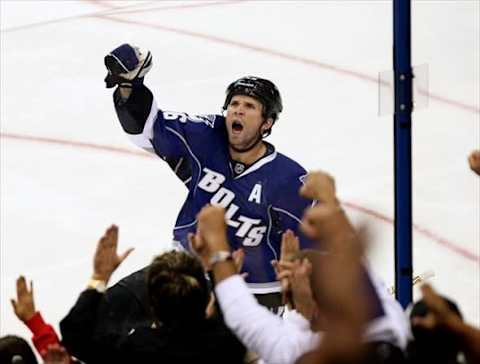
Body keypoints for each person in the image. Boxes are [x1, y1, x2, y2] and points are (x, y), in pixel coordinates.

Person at [104, 44, 314, 307]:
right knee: (105, 313)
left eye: (249, 105)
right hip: (184, 271)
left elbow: (319, 248)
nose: (237, 110)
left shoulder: (288, 178)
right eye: (234, 103)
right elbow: (147, 130)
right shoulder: (207, 135)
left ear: (267, 123)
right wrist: (130, 86)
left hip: (249, 296)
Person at [190, 171, 409, 364]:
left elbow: (241, 312)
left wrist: (217, 245)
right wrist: (330, 203)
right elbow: (360, 279)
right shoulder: (389, 328)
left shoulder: (293, 350)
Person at [60, 225, 245, 364]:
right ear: (206, 298)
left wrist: (99, 277)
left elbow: (75, 336)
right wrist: (226, 281)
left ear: (152, 305)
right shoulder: (228, 344)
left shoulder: (138, 349)